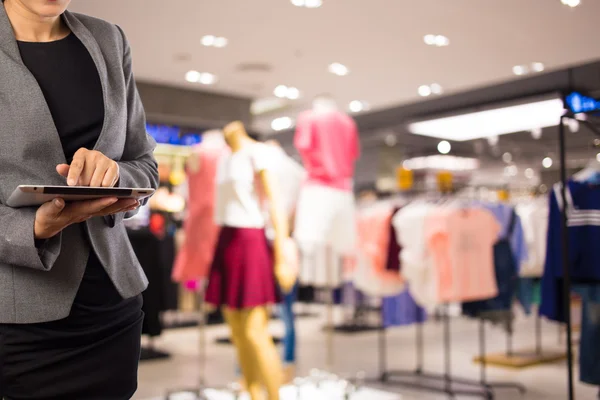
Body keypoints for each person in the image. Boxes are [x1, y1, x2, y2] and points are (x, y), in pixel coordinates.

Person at [0, 0, 159, 399]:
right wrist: (28, 229)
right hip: (16, 317)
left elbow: (145, 164)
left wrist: (117, 173)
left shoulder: (109, 39)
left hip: (111, 306)